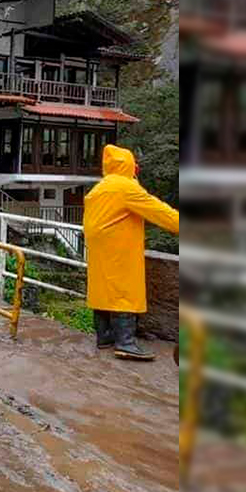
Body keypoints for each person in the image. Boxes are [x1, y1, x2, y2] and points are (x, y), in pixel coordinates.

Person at [83, 144, 179, 361]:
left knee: (103, 288)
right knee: (124, 290)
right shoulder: (126, 187)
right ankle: (125, 343)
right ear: (127, 165)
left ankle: (104, 336)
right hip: (119, 249)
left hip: (99, 250)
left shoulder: (99, 188)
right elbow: (159, 211)